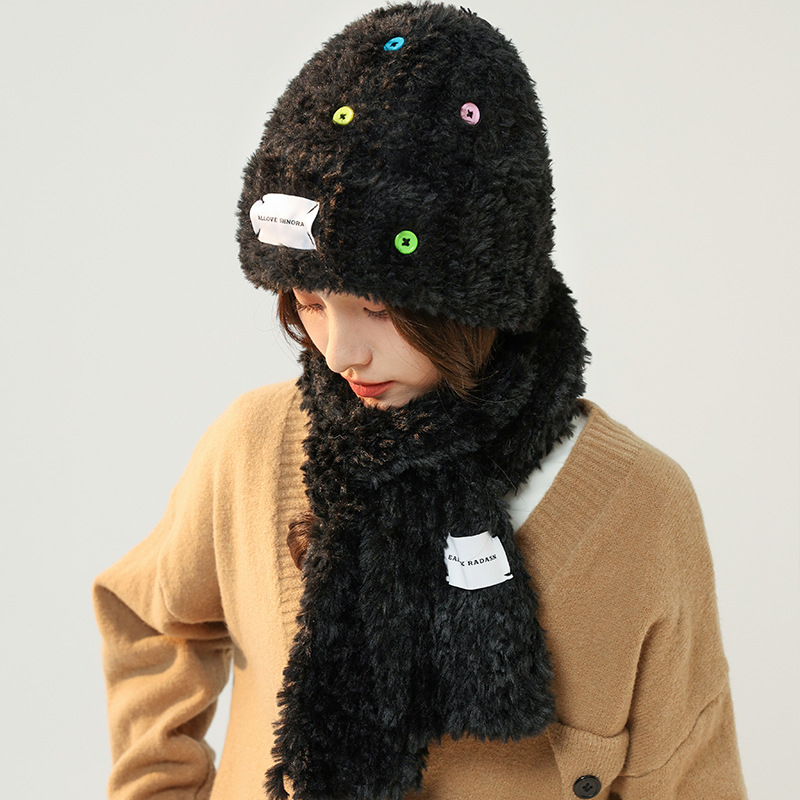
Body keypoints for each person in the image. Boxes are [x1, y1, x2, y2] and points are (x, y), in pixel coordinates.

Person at [93, 4, 748, 799]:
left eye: (377, 307)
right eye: (309, 302)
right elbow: (150, 616)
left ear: (477, 294)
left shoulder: (641, 509)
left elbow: (691, 777)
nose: (340, 351)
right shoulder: (253, 448)